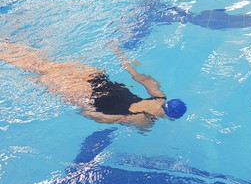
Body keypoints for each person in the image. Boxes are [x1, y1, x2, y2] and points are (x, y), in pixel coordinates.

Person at [0, 41, 187, 127]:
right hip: (87, 95)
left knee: (41, 64)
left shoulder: (159, 95)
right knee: (36, 74)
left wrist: (122, 57)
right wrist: (90, 114)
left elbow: (139, 77)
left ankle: (6, 43)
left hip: (98, 78)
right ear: (170, 117)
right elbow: (113, 119)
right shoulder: (145, 119)